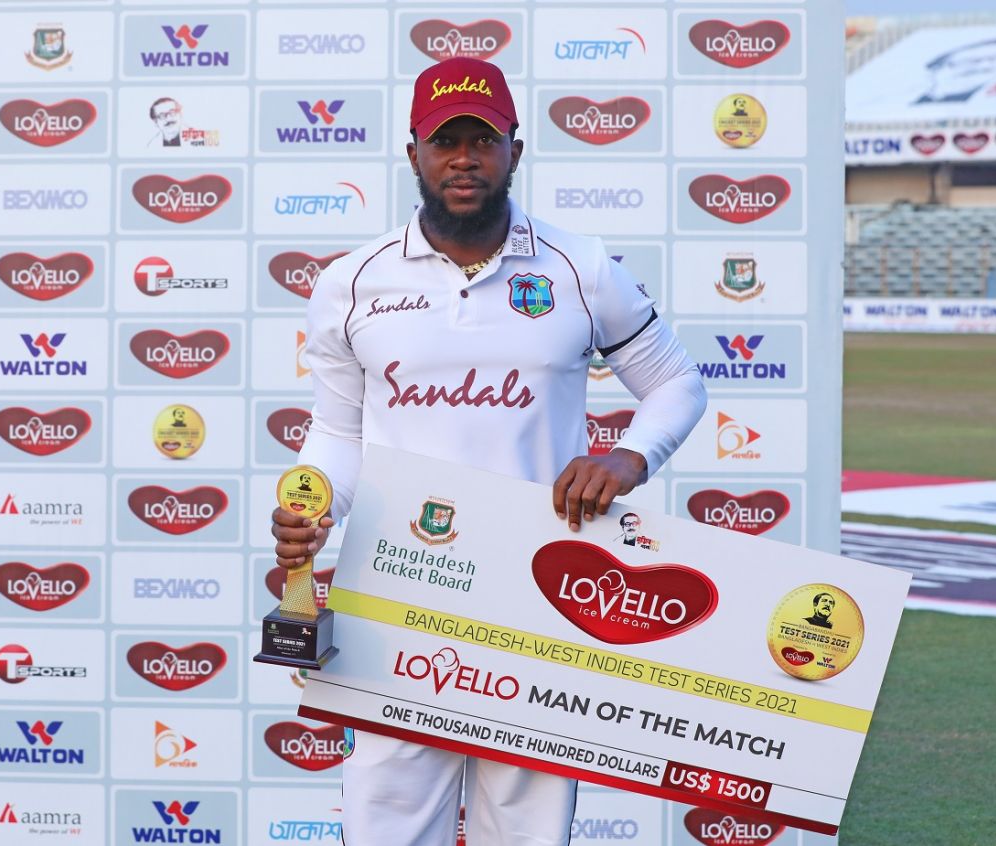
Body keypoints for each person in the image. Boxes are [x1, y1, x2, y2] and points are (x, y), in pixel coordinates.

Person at [271, 56, 706, 846]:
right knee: (386, 825)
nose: (463, 158)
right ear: (413, 155)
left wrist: (627, 458)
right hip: (398, 589)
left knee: (528, 828)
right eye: (445, 141)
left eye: (482, 139)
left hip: (541, 589)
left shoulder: (581, 267)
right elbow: (338, 432)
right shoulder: (350, 283)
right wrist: (316, 510)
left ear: (515, 148)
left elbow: (676, 385)